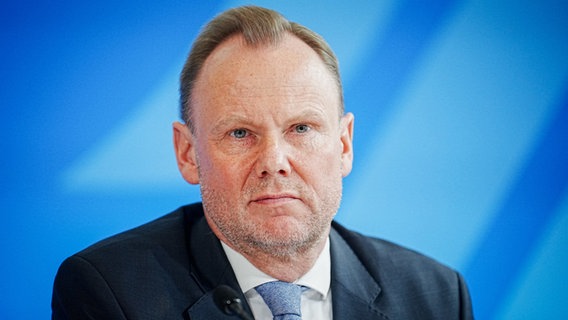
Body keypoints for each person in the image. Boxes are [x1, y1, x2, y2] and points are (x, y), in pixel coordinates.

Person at [52, 5, 474, 320]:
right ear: (188, 154)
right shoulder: (111, 292)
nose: (274, 162)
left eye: (302, 129)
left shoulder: (436, 296)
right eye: (240, 133)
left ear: (344, 145)